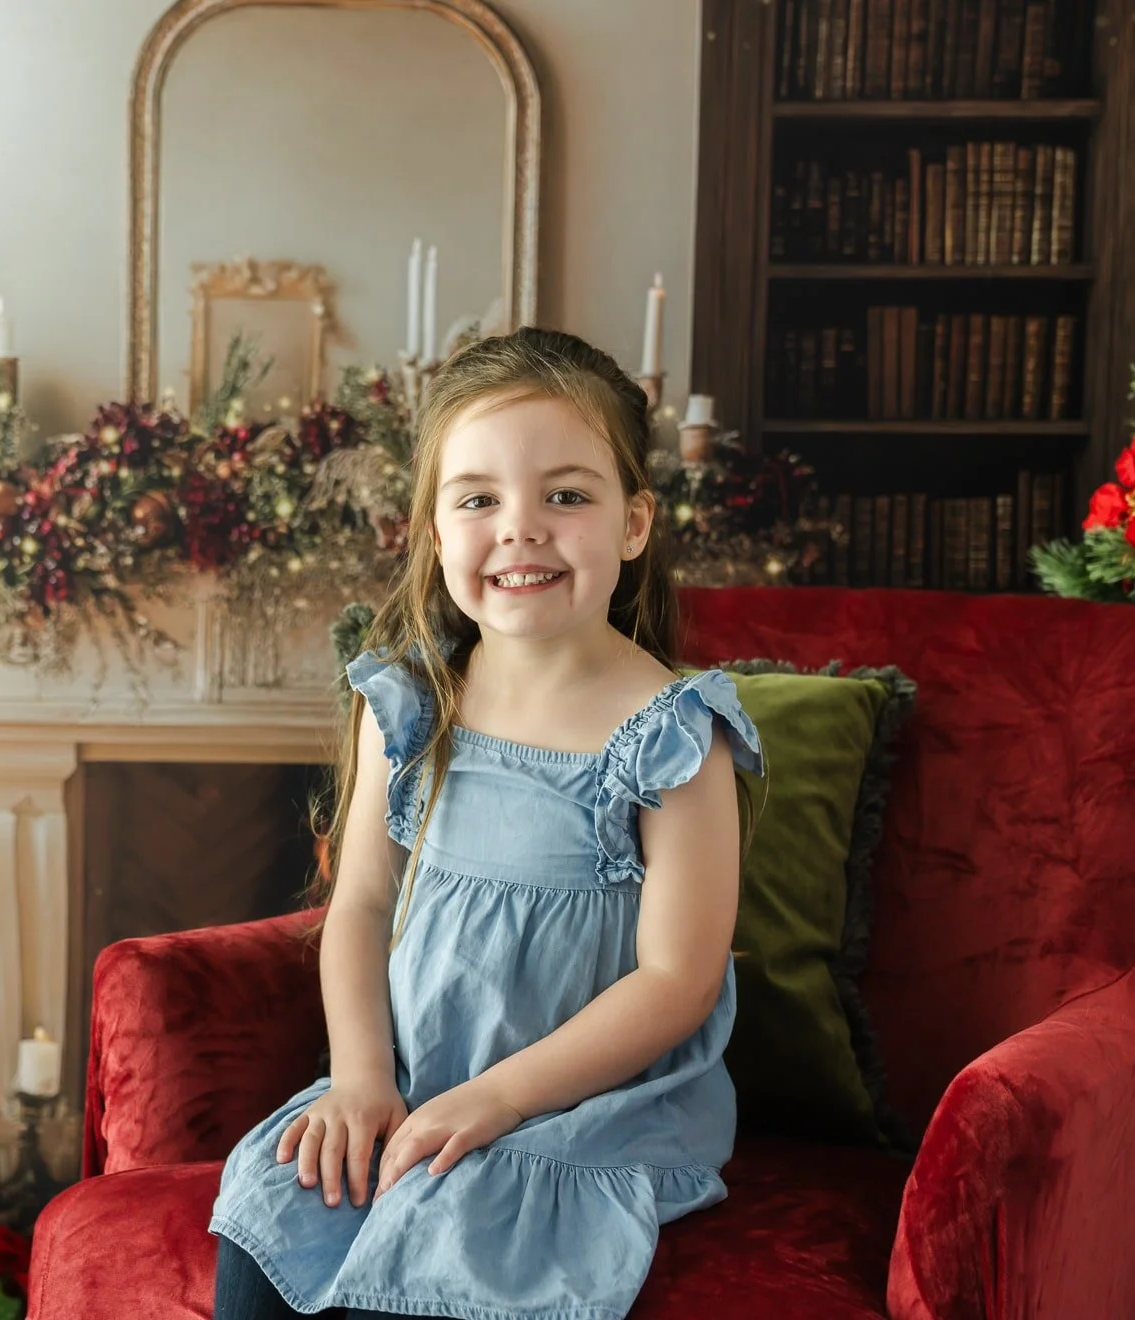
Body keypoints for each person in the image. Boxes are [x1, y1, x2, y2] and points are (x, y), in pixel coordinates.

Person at [210, 326, 765, 1319]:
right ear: (435, 533)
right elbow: (364, 906)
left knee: (441, 1247)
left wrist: (498, 1100)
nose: (522, 529)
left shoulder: (674, 736)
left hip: (583, 1103)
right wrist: (361, 1079)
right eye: (479, 500)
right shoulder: (413, 708)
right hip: (415, 1079)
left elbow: (678, 982)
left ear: (633, 522)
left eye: (567, 494)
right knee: (270, 1212)